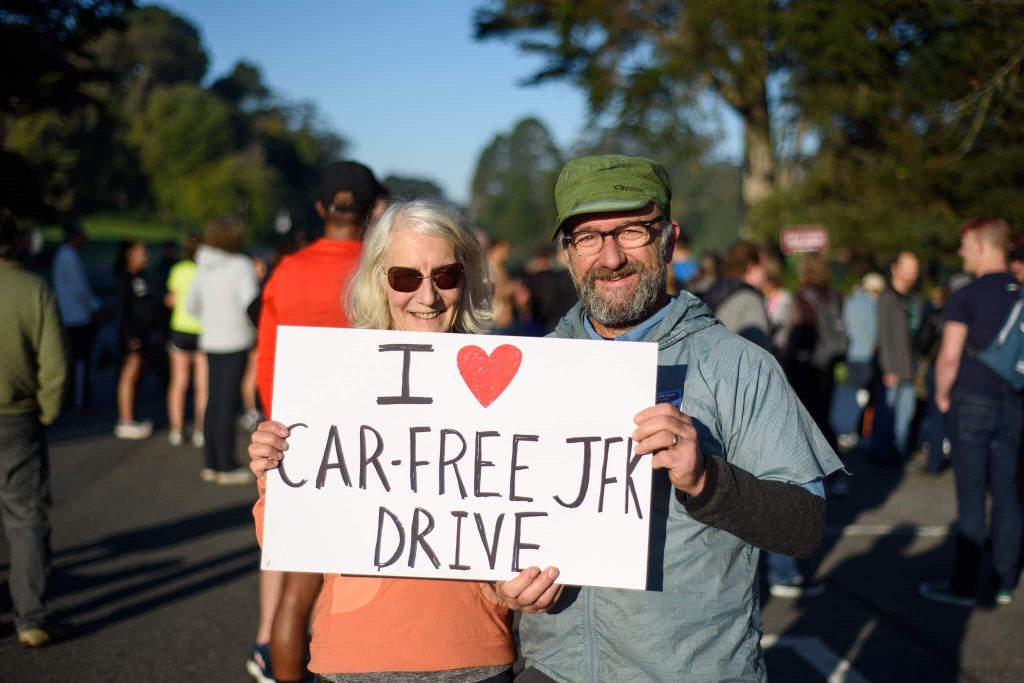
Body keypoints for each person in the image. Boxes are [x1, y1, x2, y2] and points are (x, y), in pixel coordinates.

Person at [498, 155, 842, 681]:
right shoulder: (534, 368)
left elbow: (803, 526)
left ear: (669, 237)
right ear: (566, 253)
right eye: (587, 238)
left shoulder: (736, 363)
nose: (610, 257)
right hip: (552, 671)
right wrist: (499, 583)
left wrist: (707, 480)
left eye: (632, 231)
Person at [249, 200, 517, 682]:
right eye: (406, 278)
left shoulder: (512, 385)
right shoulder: (334, 382)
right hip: (354, 657)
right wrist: (272, 474)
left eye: (446, 276)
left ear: (469, 278)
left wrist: (508, 590)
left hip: (474, 652)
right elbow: (287, 538)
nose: (428, 297)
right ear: (378, 280)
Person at [248, 160, 388, 683]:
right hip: (376, 439)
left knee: (298, 586)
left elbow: (266, 361)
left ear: (319, 210)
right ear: (374, 210)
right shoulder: (383, 269)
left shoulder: (287, 271)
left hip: (296, 439)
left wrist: (275, 432)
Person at [921, 217, 1022, 608]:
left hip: (972, 402)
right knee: (1008, 494)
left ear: (981, 245)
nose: (961, 252)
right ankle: (1004, 580)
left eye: (964, 244)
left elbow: (949, 355)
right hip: (1013, 402)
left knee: (972, 494)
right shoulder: (1021, 294)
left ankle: (964, 584)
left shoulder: (965, 295)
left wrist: (942, 395)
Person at [0, 208, 71, 647]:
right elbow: (55, 366)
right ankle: (30, 618)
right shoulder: (33, 289)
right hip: (17, 417)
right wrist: (44, 413)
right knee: (25, 518)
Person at [186, 218, 258, 485]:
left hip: (212, 339)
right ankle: (226, 466)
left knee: (214, 401)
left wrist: (212, 319)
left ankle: (211, 462)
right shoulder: (241, 266)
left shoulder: (203, 264)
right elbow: (250, 303)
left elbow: (190, 305)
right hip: (236, 339)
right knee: (228, 403)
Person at [875, 252, 921, 466]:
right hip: (893, 369)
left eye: (915, 268)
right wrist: (887, 368)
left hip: (909, 368)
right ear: (895, 269)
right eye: (908, 267)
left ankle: (898, 452)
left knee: (906, 415)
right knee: (888, 415)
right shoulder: (887, 298)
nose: (913, 273)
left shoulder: (913, 299)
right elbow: (883, 335)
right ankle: (884, 453)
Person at [164, 231, 207, 448]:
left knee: (179, 382)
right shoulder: (208, 271)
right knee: (202, 384)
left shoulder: (177, 270)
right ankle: (200, 430)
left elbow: (170, 299)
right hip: (204, 329)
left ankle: (177, 429)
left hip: (180, 328)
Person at [833, 272, 885, 450]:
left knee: (852, 395)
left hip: (854, 354)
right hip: (869, 357)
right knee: (865, 397)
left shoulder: (852, 301)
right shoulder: (873, 304)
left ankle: (847, 431)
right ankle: (859, 432)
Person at [52, 218, 97, 412]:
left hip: (72, 314)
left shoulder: (65, 255)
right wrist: (96, 306)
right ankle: (78, 399)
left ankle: (76, 396)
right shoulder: (68, 256)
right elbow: (80, 288)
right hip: (75, 316)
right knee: (79, 360)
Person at [113, 238, 155, 439]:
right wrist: (131, 336)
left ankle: (132, 415)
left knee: (139, 373)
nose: (146, 255)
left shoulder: (142, 276)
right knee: (129, 373)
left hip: (145, 334)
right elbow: (122, 310)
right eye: (142, 251)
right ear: (129, 254)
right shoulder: (124, 277)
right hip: (132, 335)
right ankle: (125, 419)